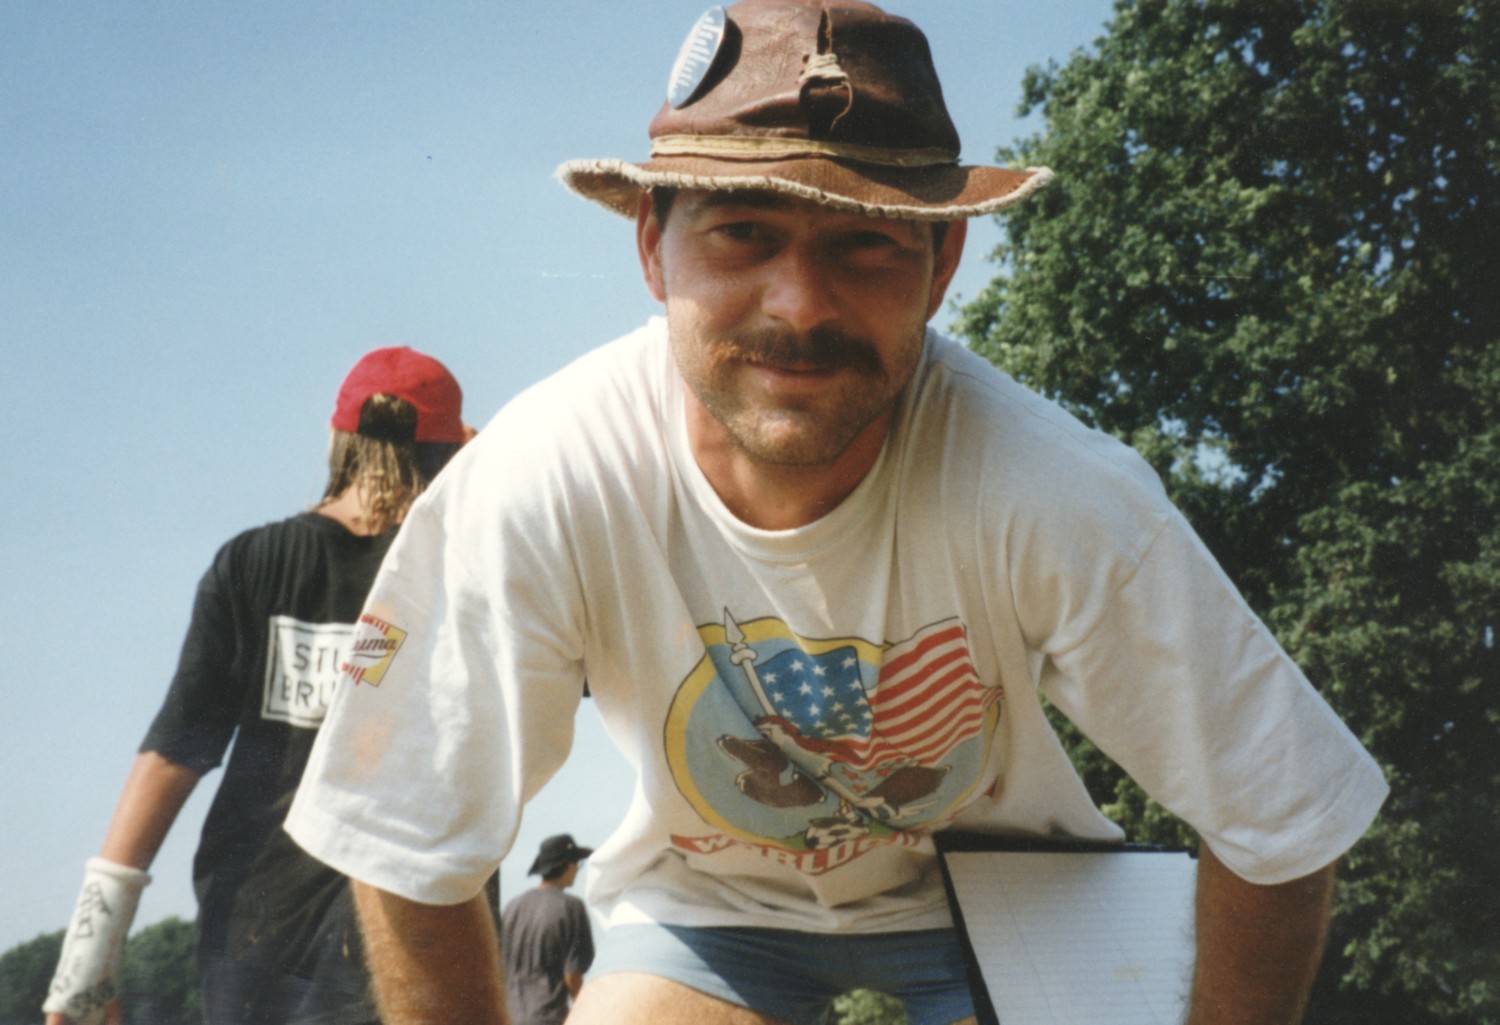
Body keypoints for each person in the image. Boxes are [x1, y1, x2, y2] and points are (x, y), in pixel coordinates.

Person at [285, 3, 1390, 1024]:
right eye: (743, 232)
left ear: (942, 262)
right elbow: (405, 834)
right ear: (653, 244)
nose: (800, 304)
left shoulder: (1055, 490)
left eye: (866, 239)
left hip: (1017, 891)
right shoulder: (540, 479)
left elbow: (1283, 816)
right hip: (710, 903)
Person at [44, 347, 471, 1025]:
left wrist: (88, 954)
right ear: (450, 452)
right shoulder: (460, 572)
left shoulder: (253, 562)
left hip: (253, 918)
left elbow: (174, 751)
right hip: (418, 921)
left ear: (336, 441)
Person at [500, 835, 596, 1025]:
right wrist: (587, 1014)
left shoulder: (512, 907)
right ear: (568, 865)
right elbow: (572, 976)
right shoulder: (571, 907)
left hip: (509, 1017)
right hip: (548, 1018)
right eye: (577, 864)